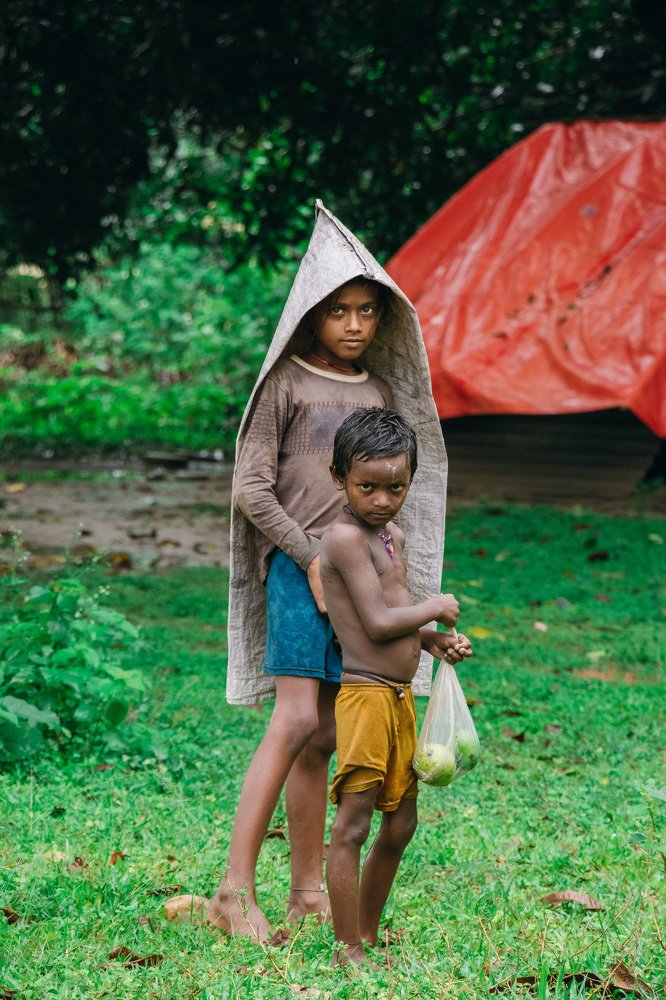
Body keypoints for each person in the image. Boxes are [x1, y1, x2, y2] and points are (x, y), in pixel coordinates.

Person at [209, 202, 449, 941]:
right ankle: (231, 889)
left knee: (324, 739)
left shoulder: (377, 395)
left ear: (382, 319)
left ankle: (309, 891)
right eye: (338, 310)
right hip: (295, 572)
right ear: (312, 313)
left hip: (361, 583)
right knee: (294, 720)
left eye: (367, 311)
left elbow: (389, 506)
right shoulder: (284, 384)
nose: (352, 324)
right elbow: (251, 490)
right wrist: (312, 558)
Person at [319, 407, 472, 967]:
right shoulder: (341, 539)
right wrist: (436, 606)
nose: (382, 500)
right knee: (354, 824)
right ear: (338, 478)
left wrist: (432, 638)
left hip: (401, 696)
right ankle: (346, 946)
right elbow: (379, 624)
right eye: (367, 487)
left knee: (402, 821)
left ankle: (367, 931)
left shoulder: (392, 536)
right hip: (364, 698)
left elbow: (397, 613)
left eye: (396, 487)